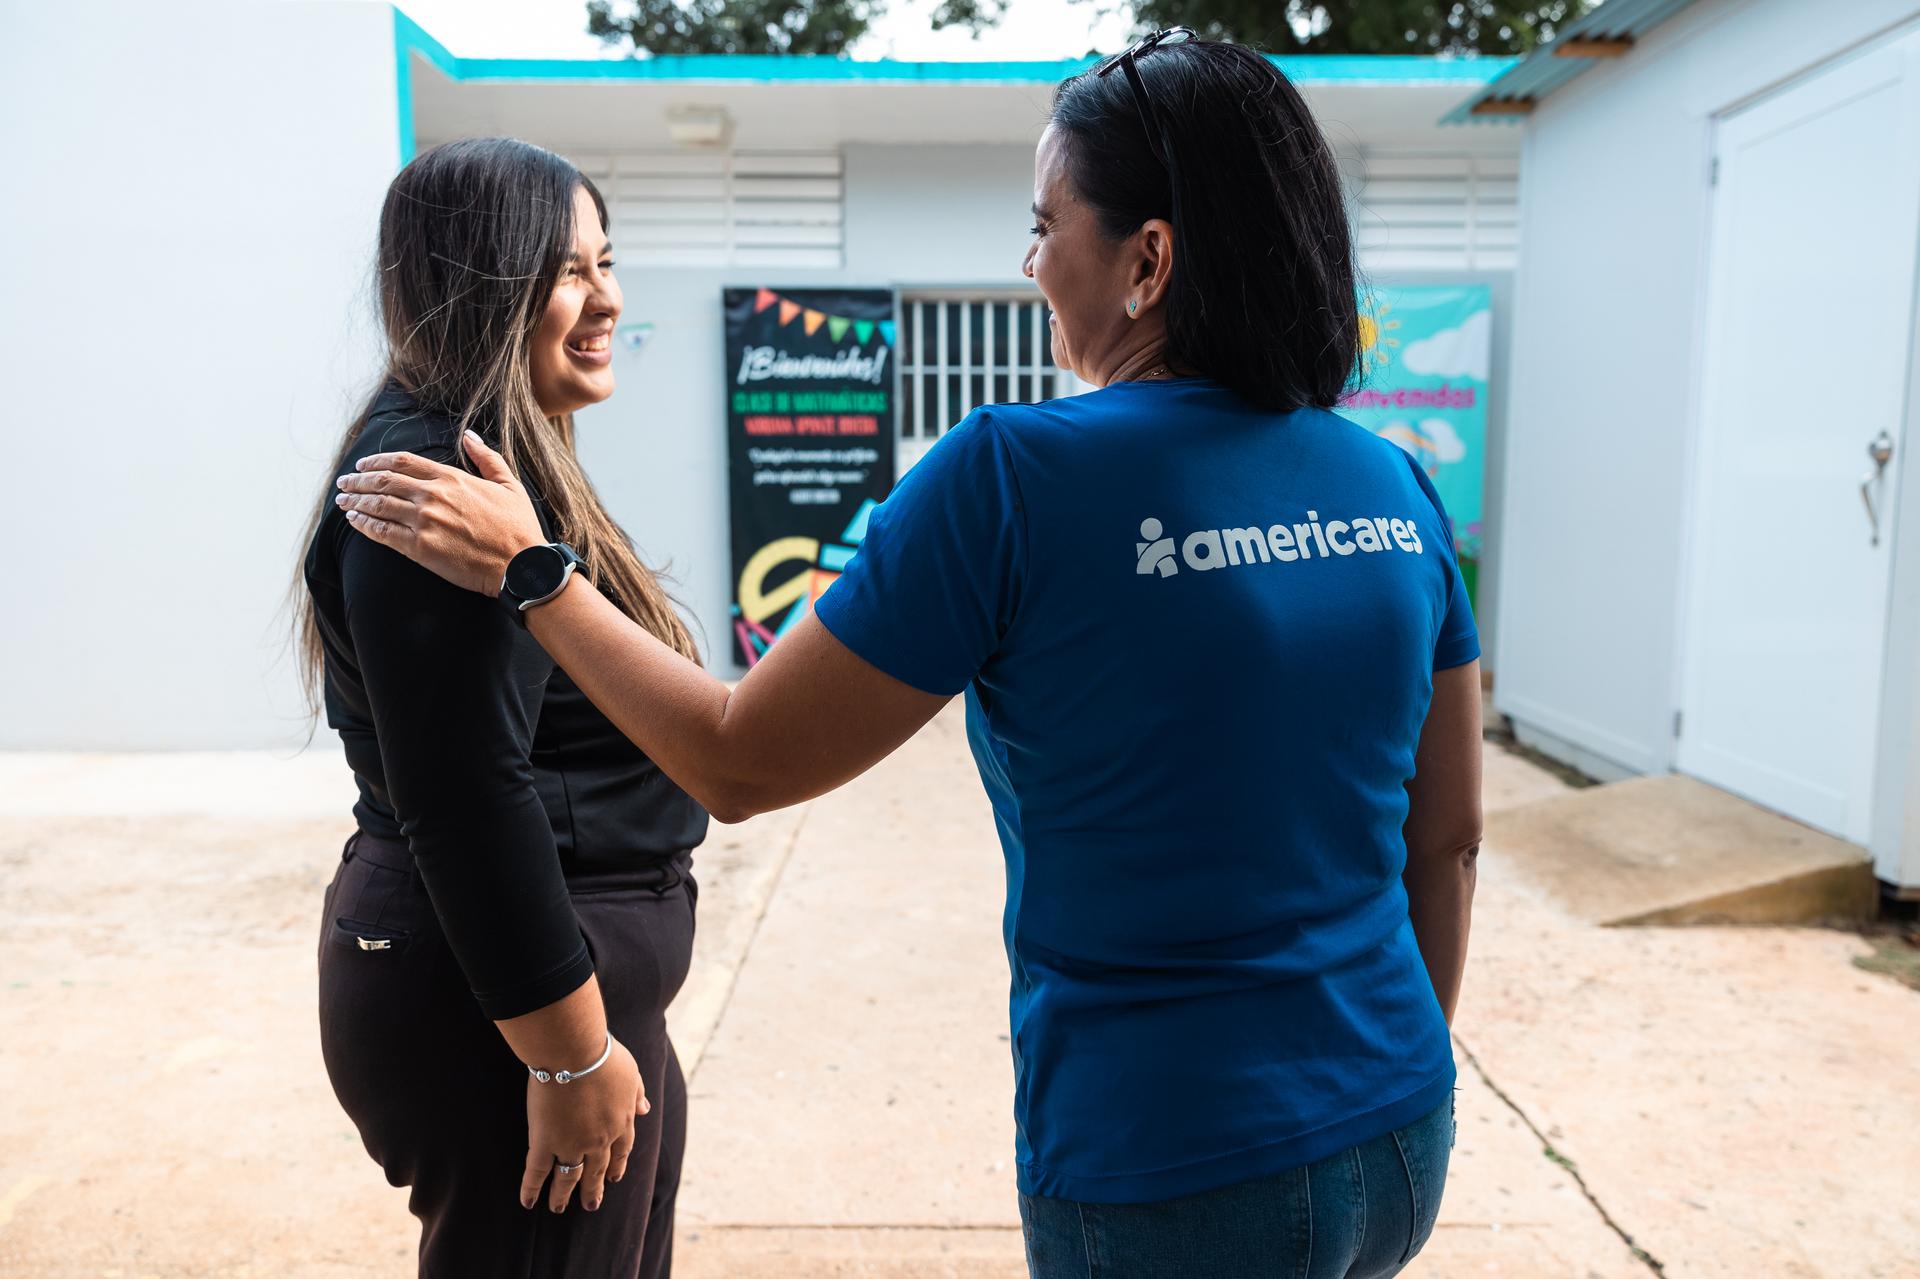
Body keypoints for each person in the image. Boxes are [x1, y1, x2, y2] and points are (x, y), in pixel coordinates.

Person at [334, 34, 1482, 1279]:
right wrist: (1382, 1067)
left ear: (1148, 260)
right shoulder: (1396, 484)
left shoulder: (1012, 475)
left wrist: (534, 572)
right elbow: (1452, 838)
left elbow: (738, 759)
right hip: (1400, 1121)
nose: (1032, 262)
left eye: (1046, 224)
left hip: (1172, 1153)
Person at [297, 137, 706, 1278]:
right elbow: (466, 794)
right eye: (567, 270)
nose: (606, 297)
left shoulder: (511, 473)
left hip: (566, 996)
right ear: (477, 283)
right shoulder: (440, 485)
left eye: (607, 263)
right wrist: (572, 1057)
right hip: (522, 1012)